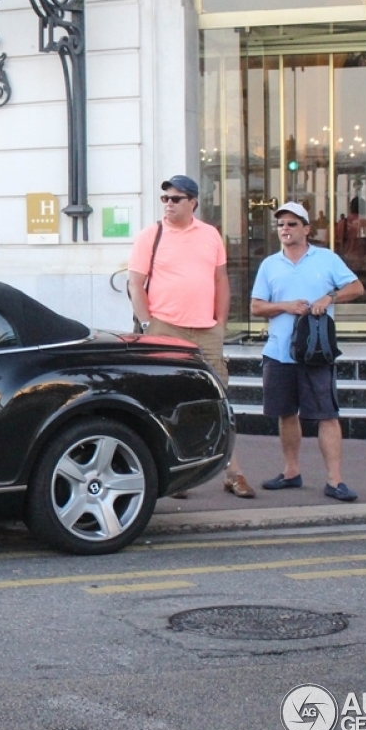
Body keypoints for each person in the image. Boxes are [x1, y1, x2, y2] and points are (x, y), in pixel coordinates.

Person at [128, 174, 256, 498]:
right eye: (165, 199)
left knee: (218, 400)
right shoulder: (150, 235)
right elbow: (135, 284)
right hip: (164, 328)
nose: (168, 204)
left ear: (193, 202)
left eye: (176, 199)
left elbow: (221, 280)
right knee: (167, 401)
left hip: (206, 330)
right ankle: (174, 474)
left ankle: (233, 471)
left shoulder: (210, 235)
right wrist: (147, 326)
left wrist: (220, 322)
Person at [252, 201, 364, 502]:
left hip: (316, 352)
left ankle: (335, 481)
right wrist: (286, 306)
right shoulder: (270, 264)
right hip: (279, 352)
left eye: (292, 224)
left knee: (327, 415)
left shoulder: (326, 259)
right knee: (286, 414)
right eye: (281, 225)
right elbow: (256, 306)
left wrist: (329, 297)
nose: (285, 229)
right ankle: (291, 472)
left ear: (306, 229)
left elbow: (356, 287)